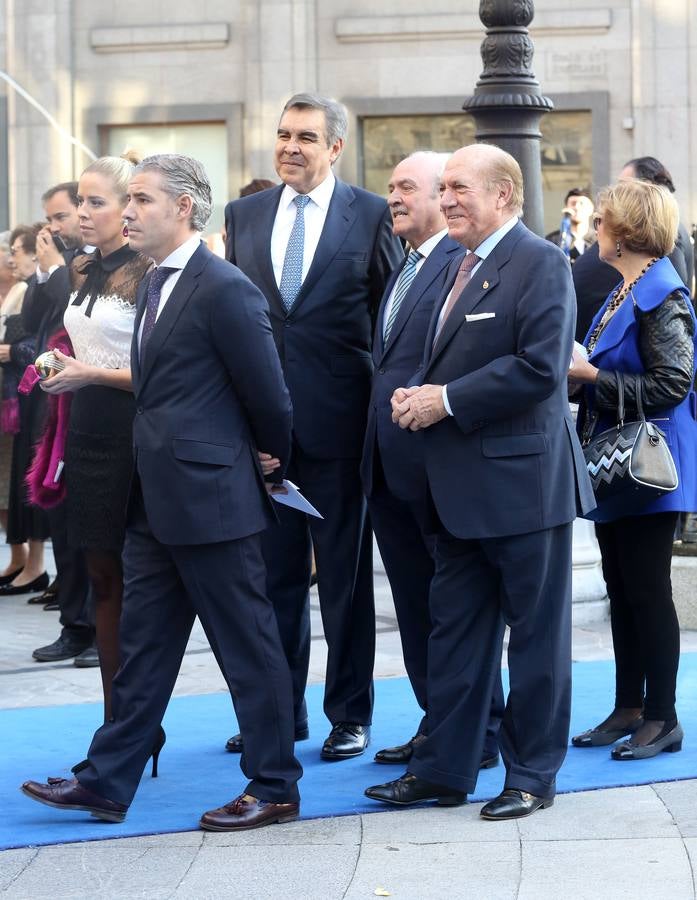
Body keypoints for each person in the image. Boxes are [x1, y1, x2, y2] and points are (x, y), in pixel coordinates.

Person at [22, 152, 302, 831]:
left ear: (183, 207)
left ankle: (274, 786)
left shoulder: (224, 287)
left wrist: (267, 462)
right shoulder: (154, 287)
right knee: (144, 647)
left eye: (142, 199)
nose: (128, 211)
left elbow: (269, 397)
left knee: (247, 646)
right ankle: (107, 779)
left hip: (211, 500)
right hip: (151, 497)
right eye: (131, 199)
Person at [365, 143, 594, 819]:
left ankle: (529, 777)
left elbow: (538, 367)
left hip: (524, 490)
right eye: (447, 189)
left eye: (460, 188)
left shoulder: (542, 263)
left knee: (535, 642)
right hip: (454, 492)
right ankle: (443, 771)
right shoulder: (448, 267)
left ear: (503, 195)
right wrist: (416, 397)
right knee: (455, 638)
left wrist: (445, 399)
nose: (447, 199)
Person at [225, 92, 403, 760]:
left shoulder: (370, 215)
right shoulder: (244, 216)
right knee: (269, 582)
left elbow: (391, 321)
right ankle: (277, 712)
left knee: (344, 582)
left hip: (341, 427)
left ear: (334, 147)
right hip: (262, 435)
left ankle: (348, 714)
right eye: (282, 134)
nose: (289, 147)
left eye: (305, 136)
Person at [360, 150, 503, 768]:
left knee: (454, 614)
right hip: (390, 471)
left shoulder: (459, 263)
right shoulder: (406, 263)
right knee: (418, 612)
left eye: (408, 187)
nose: (394, 197)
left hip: (437, 472)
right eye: (390, 187)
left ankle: (477, 734)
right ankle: (437, 725)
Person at [568, 178, 697, 759]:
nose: (595, 229)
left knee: (647, 591)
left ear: (628, 233)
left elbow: (674, 383)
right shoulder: (628, 287)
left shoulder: (661, 294)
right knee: (621, 587)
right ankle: (629, 705)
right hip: (615, 461)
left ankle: (664, 717)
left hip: (649, 466)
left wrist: (593, 377)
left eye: (602, 222)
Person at [37, 156, 151, 720]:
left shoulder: (151, 272)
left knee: (146, 586)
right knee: (101, 578)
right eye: (80, 202)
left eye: (95, 202)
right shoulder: (80, 268)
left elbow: (167, 370)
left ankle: (136, 721)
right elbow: (84, 347)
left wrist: (90, 374)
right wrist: (61, 366)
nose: (83, 213)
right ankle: (118, 724)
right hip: (85, 433)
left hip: (139, 434)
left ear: (128, 206)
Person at [20, 182, 96, 665]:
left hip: (100, 413)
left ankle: (98, 627)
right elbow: (35, 324)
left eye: (62, 216)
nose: (55, 227)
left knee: (97, 535)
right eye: (50, 218)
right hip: (57, 416)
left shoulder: (114, 261)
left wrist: (55, 271)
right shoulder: (53, 272)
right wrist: (46, 272)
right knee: (64, 528)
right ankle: (74, 625)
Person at [0, 225, 50, 596]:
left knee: (29, 481)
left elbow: (38, 346)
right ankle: (22, 561)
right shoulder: (28, 287)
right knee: (18, 480)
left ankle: (34, 566)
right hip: (21, 396)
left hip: (30, 396)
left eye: (16, 249)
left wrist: (12, 352)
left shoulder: (36, 286)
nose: (11, 256)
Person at [546, 188, 595, 262]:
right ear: (566, 208)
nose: (577, 207)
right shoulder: (553, 240)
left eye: (582, 203)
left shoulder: (599, 240)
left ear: (591, 209)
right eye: (573, 203)